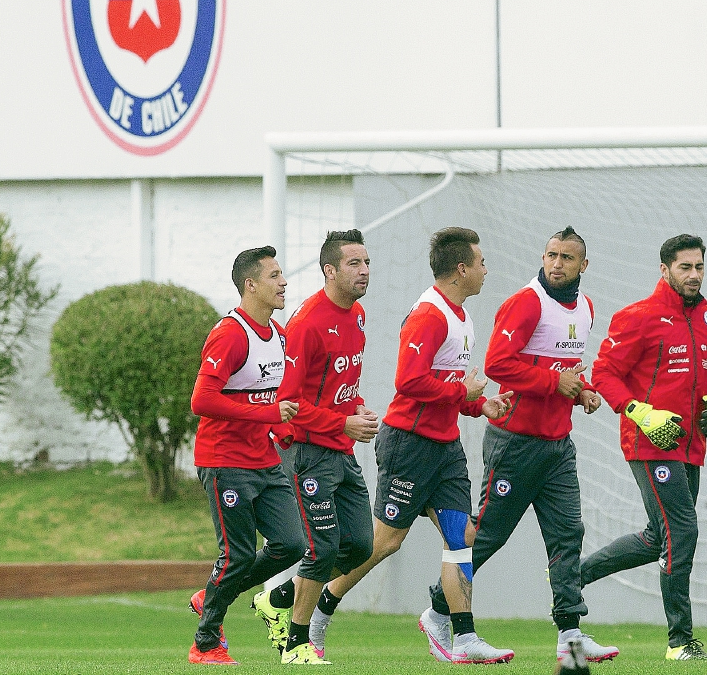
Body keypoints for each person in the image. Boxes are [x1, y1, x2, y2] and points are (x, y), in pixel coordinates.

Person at [314, 227, 516, 664]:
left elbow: (447, 385)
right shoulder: (429, 314)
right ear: (461, 269)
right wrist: (463, 392)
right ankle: (319, 606)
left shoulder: (461, 316)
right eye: (481, 263)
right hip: (409, 446)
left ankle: (462, 636)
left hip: (445, 448)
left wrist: (480, 405)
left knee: (462, 535)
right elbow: (408, 381)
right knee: (384, 542)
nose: (486, 270)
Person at [420, 227, 618, 664]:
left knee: (568, 535)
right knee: (488, 535)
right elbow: (497, 364)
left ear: (583, 265)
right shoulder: (527, 302)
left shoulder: (585, 307)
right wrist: (555, 382)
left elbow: (564, 368)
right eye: (551, 255)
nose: (557, 263)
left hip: (558, 446)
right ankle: (437, 610)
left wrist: (582, 390)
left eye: (567, 257)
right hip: (515, 444)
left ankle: (570, 634)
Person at [580, 234, 707, 662]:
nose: (694, 275)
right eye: (685, 267)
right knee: (682, 531)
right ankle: (680, 642)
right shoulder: (638, 316)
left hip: (690, 445)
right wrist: (639, 412)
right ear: (665, 270)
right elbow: (604, 374)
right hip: (649, 442)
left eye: (699, 266)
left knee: (657, 537)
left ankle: (572, 574)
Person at [249, 230, 381, 665]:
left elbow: (342, 383)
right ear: (330, 271)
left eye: (366, 262)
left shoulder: (357, 314)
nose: (364, 271)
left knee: (359, 547)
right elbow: (288, 403)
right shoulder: (307, 323)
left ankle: (276, 600)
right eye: (354, 264)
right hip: (306, 452)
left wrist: (356, 409)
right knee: (322, 548)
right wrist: (343, 422)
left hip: (341, 449)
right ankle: (296, 645)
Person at [187, 246, 306, 666]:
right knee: (236, 556)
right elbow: (201, 400)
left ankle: (211, 596)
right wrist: (268, 415)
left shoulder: (280, 336)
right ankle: (205, 645)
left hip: (264, 460)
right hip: (224, 461)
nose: (284, 282)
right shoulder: (230, 334)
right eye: (274, 275)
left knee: (292, 544)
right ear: (250, 285)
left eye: (282, 274)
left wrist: (283, 430)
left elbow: (273, 400)